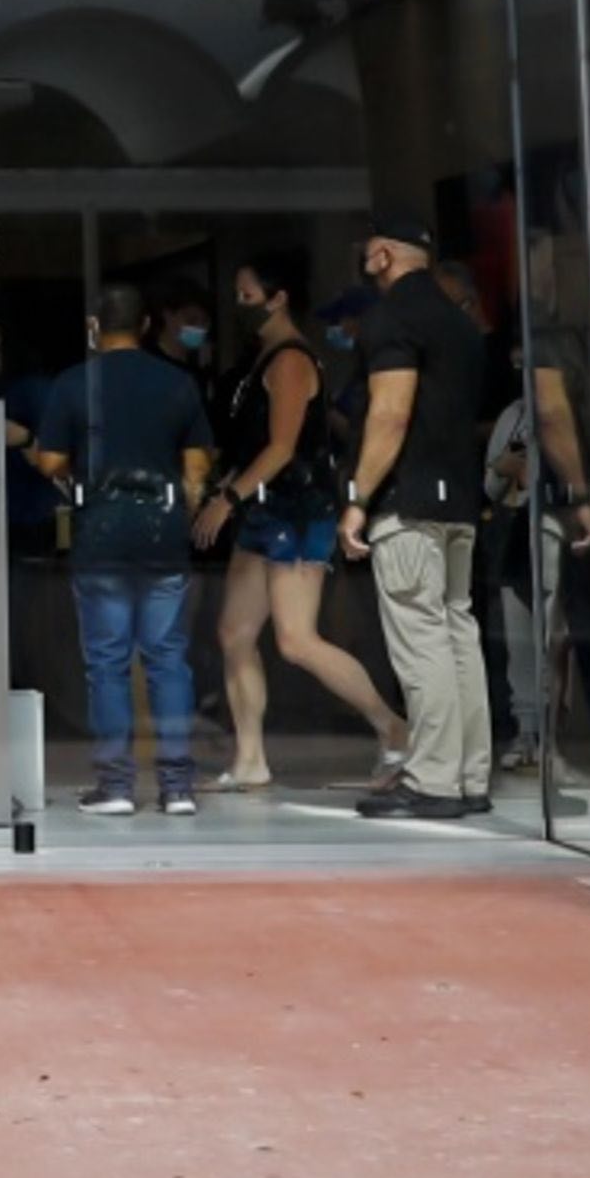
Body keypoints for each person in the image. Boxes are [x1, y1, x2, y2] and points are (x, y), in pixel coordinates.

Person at [204, 253, 404, 795]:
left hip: (295, 509)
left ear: (277, 297)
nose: (239, 304)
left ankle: (392, 727)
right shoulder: (259, 359)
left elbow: (283, 446)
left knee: (296, 639)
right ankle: (249, 759)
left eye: (248, 294)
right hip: (264, 509)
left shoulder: (290, 360)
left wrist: (227, 495)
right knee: (234, 632)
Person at [16, 279, 213, 814]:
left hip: (101, 533)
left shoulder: (74, 384)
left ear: (93, 328)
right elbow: (197, 468)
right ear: (146, 325)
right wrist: (181, 513)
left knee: (107, 663)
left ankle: (117, 786)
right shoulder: (177, 384)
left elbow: (52, 462)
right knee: (168, 660)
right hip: (162, 534)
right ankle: (177, 788)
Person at [339, 215, 500, 820]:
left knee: (421, 636)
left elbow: (389, 415)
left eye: (367, 252)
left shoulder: (392, 319)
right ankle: (468, 774)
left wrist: (358, 496)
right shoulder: (460, 322)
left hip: (407, 501)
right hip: (459, 499)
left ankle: (433, 779)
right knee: (458, 632)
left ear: (382, 254)